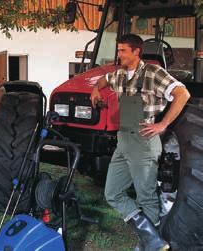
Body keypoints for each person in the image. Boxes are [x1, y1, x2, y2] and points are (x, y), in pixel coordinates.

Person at [91, 34, 190, 250]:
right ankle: (151, 239)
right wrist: (95, 90)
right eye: (118, 50)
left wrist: (163, 124)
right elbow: (102, 80)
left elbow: (182, 93)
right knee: (112, 193)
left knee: (146, 197)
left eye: (123, 50)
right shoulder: (118, 75)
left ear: (137, 51)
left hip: (144, 141)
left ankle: (150, 244)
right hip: (124, 140)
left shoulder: (153, 73)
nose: (119, 54)